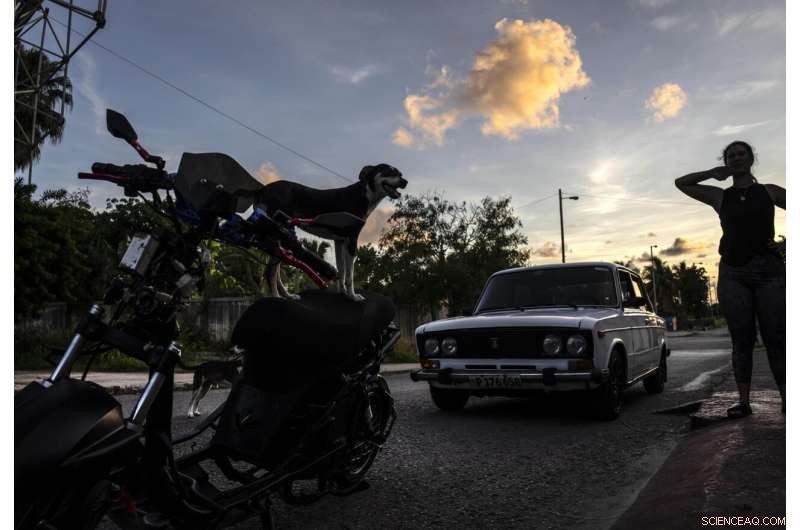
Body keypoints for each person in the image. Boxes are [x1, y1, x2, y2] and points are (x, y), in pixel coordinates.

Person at [675, 141, 786, 418]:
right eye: (731, 155)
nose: (737, 158)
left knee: (777, 338)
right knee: (742, 339)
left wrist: (787, 245)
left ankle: (787, 398)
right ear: (726, 161)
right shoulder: (720, 196)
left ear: (751, 158)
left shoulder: (769, 191)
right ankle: (744, 402)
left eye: (741, 154)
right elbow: (682, 183)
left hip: (769, 272)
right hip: (733, 273)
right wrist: (712, 172)